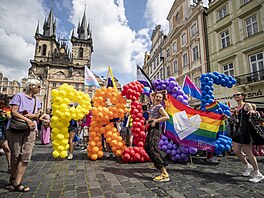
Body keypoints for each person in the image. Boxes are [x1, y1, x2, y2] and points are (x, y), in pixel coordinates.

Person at [7, 79, 41, 192]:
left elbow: (37, 114)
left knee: (26, 155)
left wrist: (32, 117)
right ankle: (12, 178)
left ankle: (17, 182)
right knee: (16, 155)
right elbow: (14, 112)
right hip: (17, 128)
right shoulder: (19, 96)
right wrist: (27, 119)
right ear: (31, 86)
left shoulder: (37, 100)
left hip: (31, 129)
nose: (40, 89)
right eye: (38, 87)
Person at [232, 92, 264, 183]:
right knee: (236, 151)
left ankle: (258, 173)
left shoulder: (246, 105)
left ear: (243, 96)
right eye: (234, 95)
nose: (236, 96)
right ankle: (248, 166)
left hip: (246, 132)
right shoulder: (236, 108)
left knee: (249, 152)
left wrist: (252, 111)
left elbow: (250, 109)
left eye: (238, 95)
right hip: (238, 131)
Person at [145, 90, 170, 182]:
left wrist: (155, 121)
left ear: (162, 99)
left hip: (155, 127)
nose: (158, 98)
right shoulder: (153, 105)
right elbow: (151, 94)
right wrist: (161, 92)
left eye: (160, 97)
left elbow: (167, 117)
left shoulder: (159, 107)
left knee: (153, 148)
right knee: (146, 146)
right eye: (157, 97)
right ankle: (157, 163)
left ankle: (164, 173)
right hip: (150, 126)